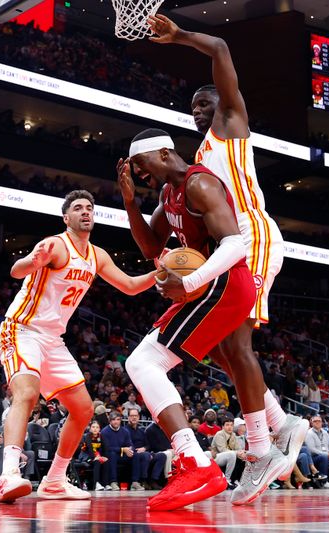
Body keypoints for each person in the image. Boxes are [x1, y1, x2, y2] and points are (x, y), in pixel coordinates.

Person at [147, 14, 308, 505]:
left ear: (223, 103)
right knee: (219, 346)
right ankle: (283, 424)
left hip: (251, 235)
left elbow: (219, 46)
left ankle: (261, 451)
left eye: (204, 102)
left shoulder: (231, 123)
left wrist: (179, 38)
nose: (198, 110)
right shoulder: (198, 154)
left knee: (236, 345)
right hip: (230, 244)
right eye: (193, 106)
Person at [117, 127, 288, 512]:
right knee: (196, 359)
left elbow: (234, 244)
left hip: (224, 283)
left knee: (145, 362)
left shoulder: (199, 183)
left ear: (162, 154)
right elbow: (150, 247)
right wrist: (130, 202)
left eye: (140, 165)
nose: (139, 173)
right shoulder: (167, 194)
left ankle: (197, 463)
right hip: (212, 287)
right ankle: (258, 446)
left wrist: (189, 281)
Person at [0, 190, 158, 502]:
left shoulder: (98, 255)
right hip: (22, 330)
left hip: (53, 341)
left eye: (90, 208)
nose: (86, 212)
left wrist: (159, 273)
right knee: (26, 394)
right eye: (79, 208)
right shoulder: (56, 244)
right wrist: (33, 260)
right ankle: (9, 474)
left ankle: (55, 480)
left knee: (83, 410)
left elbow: (130, 286)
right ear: (66, 217)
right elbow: (16, 271)